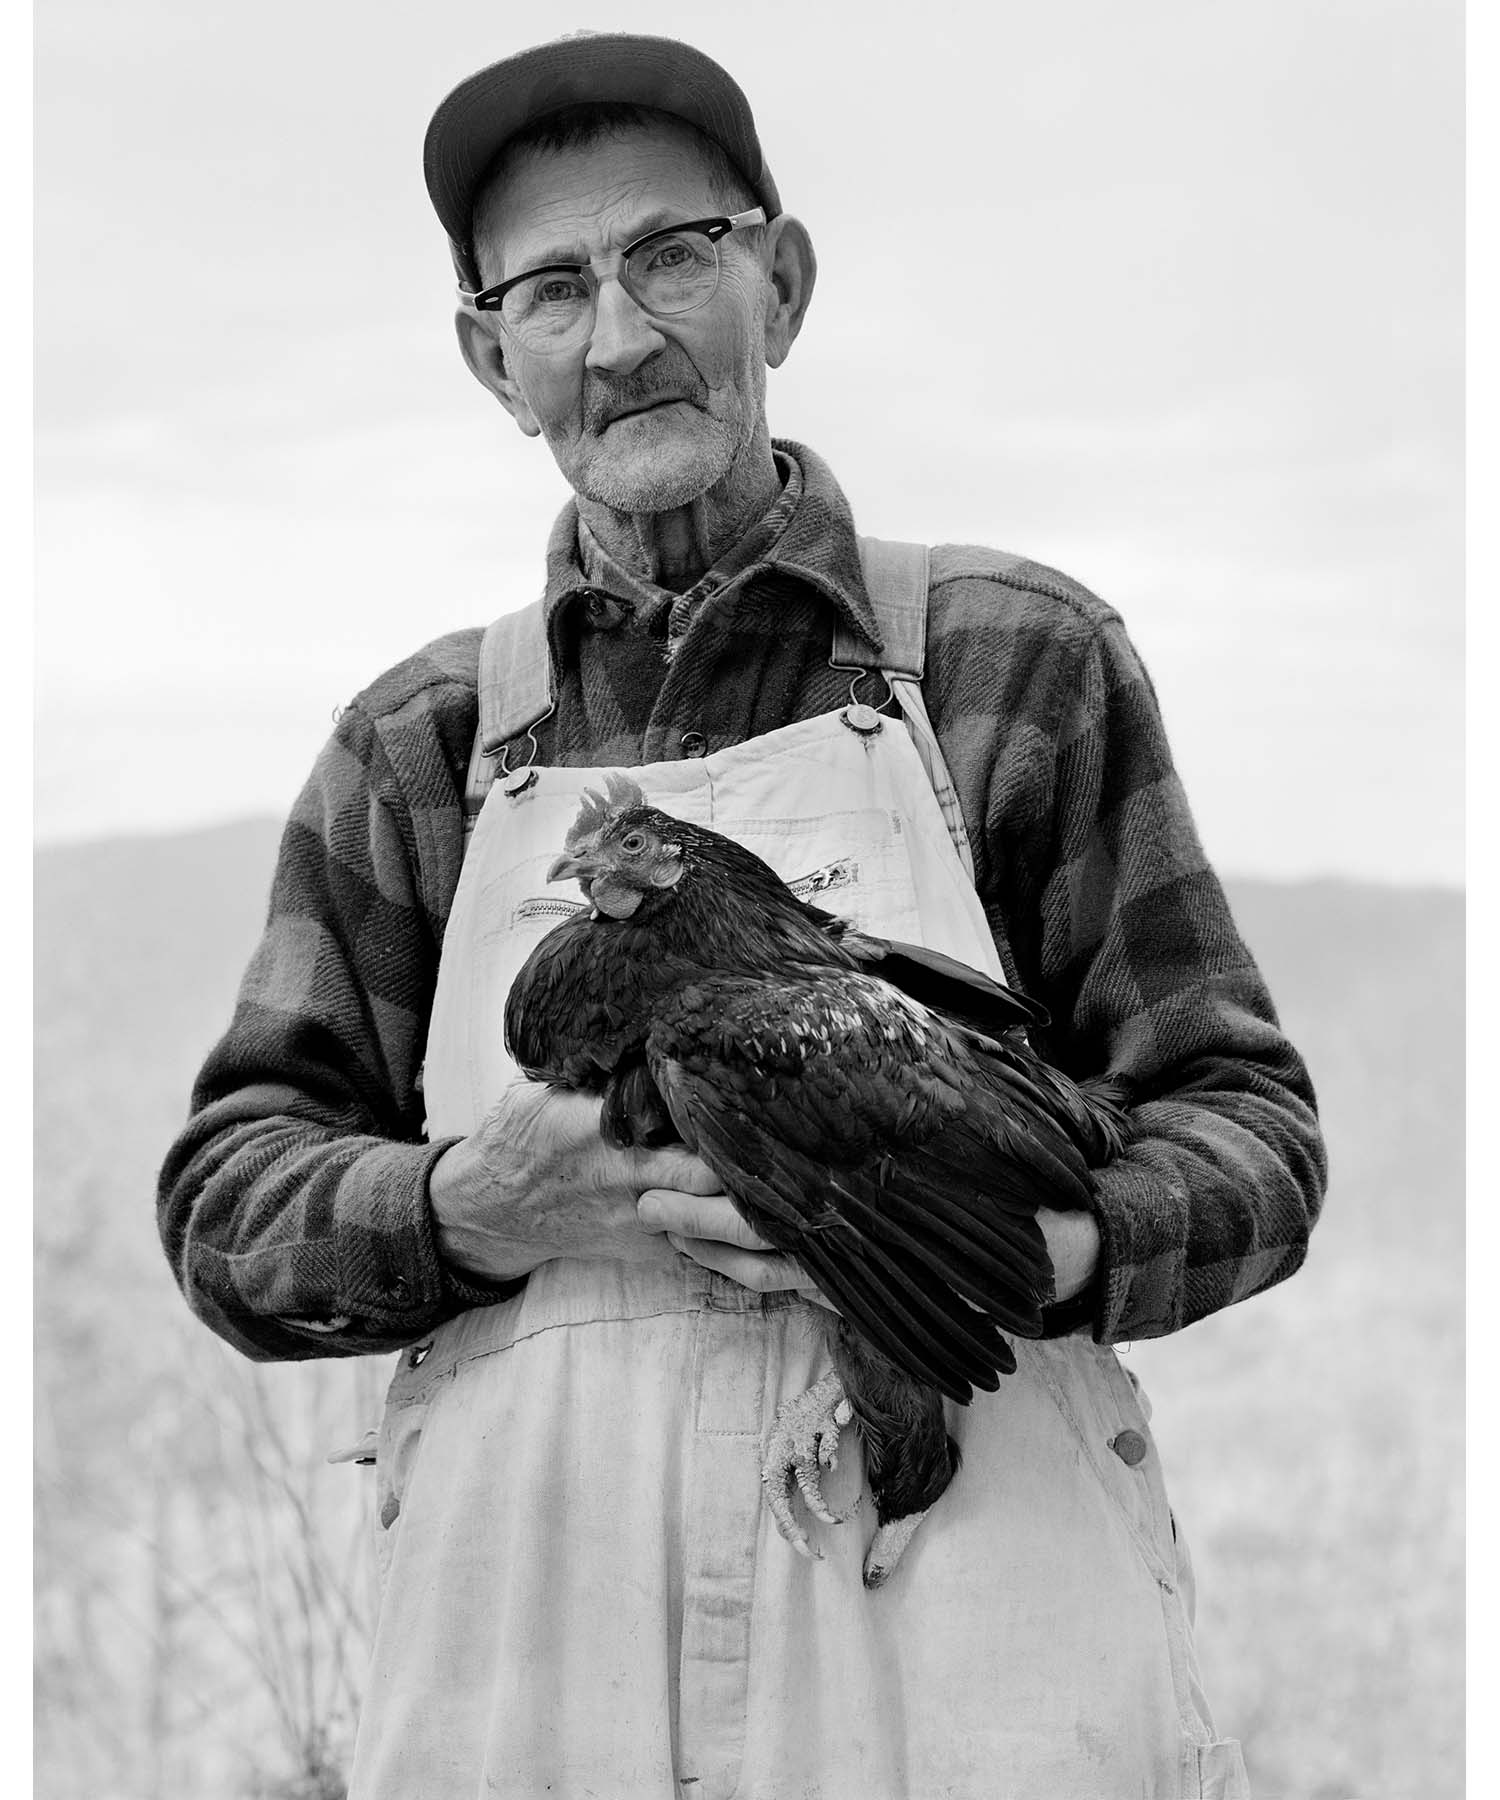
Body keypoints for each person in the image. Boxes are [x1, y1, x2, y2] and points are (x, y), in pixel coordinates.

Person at [158, 31, 1326, 1800]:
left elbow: (1253, 1138)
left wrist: (1056, 1258)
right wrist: (466, 1208)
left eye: (671, 255)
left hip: (964, 1630)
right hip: (540, 1670)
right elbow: (227, 1204)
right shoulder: (419, 747)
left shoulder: (1016, 663)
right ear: (494, 359)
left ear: (778, 282)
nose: (619, 336)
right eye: (551, 290)